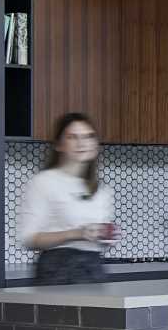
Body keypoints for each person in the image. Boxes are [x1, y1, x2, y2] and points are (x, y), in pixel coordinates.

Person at [18, 112, 115, 286]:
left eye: (88, 136)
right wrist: (76, 234)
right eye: (72, 137)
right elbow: (28, 238)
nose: (81, 143)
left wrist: (105, 236)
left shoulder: (101, 188)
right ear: (59, 144)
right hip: (58, 270)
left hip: (93, 269)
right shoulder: (43, 182)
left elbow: (98, 239)